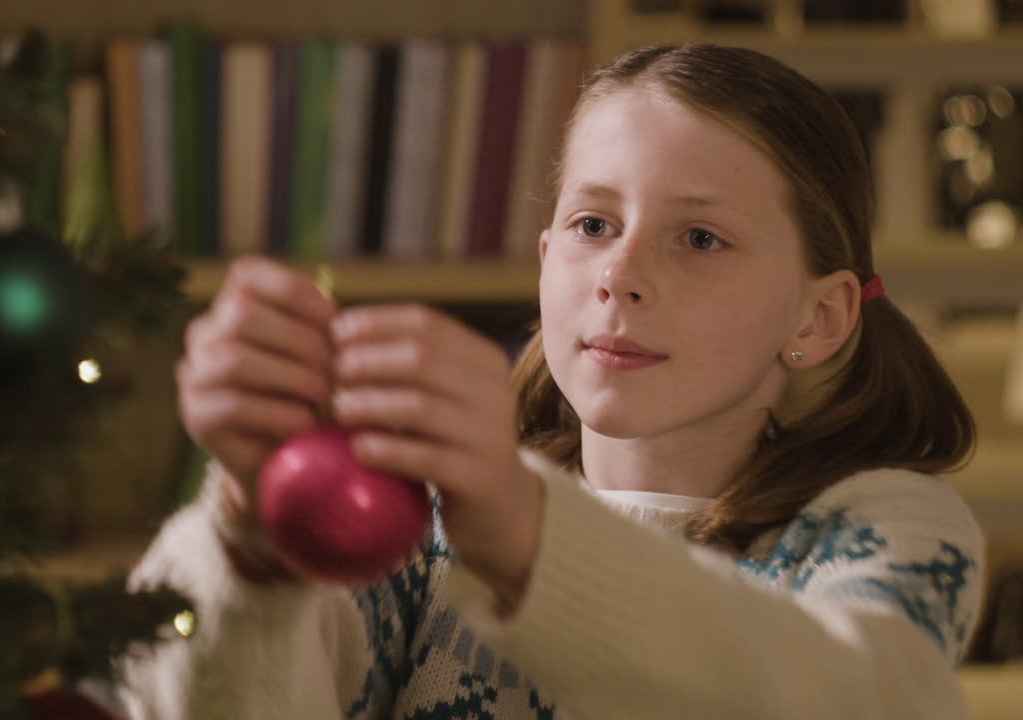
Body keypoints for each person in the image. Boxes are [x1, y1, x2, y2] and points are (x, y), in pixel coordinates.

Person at [114, 44, 984, 719]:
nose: (619, 273)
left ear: (818, 318)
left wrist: (526, 532)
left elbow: (857, 699)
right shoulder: (415, 524)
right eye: (593, 224)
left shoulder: (885, 529)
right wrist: (250, 538)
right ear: (545, 267)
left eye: (700, 238)